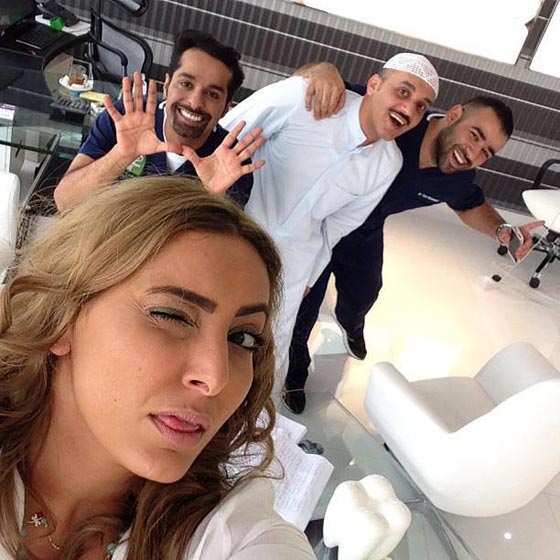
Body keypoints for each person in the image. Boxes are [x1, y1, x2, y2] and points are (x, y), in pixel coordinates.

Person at [0, 176, 315, 559]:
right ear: (61, 318)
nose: (216, 378)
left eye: (243, 338)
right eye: (171, 315)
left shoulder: (230, 536)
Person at [283, 63, 543, 413]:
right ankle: (295, 373)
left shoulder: (457, 177)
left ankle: (351, 324)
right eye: (475, 135)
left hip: (364, 232)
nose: (473, 153)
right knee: (304, 309)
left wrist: (501, 230)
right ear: (454, 115)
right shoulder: (401, 117)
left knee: (365, 291)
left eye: (486, 152)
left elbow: (469, 205)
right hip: (318, 223)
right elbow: (318, 82)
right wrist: (323, 70)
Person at [220, 53, 439, 387]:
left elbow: (337, 226)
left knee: (267, 358)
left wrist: (311, 273)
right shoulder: (302, 98)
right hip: (233, 237)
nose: (409, 110)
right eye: (403, 92)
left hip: (293, 266)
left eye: (421, 106)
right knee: (212, 330)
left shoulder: (387, 163)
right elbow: (222, 139)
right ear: (374, 85)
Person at [54, 30, 265, 211]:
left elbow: (218, 246)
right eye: (186, 84)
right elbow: (65, 201)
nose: (195, 102)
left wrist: (213, 197)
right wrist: (121, 155)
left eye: (212, 94)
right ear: (167, 85)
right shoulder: (125, 118)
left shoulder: (232, 163)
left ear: (225, 108)